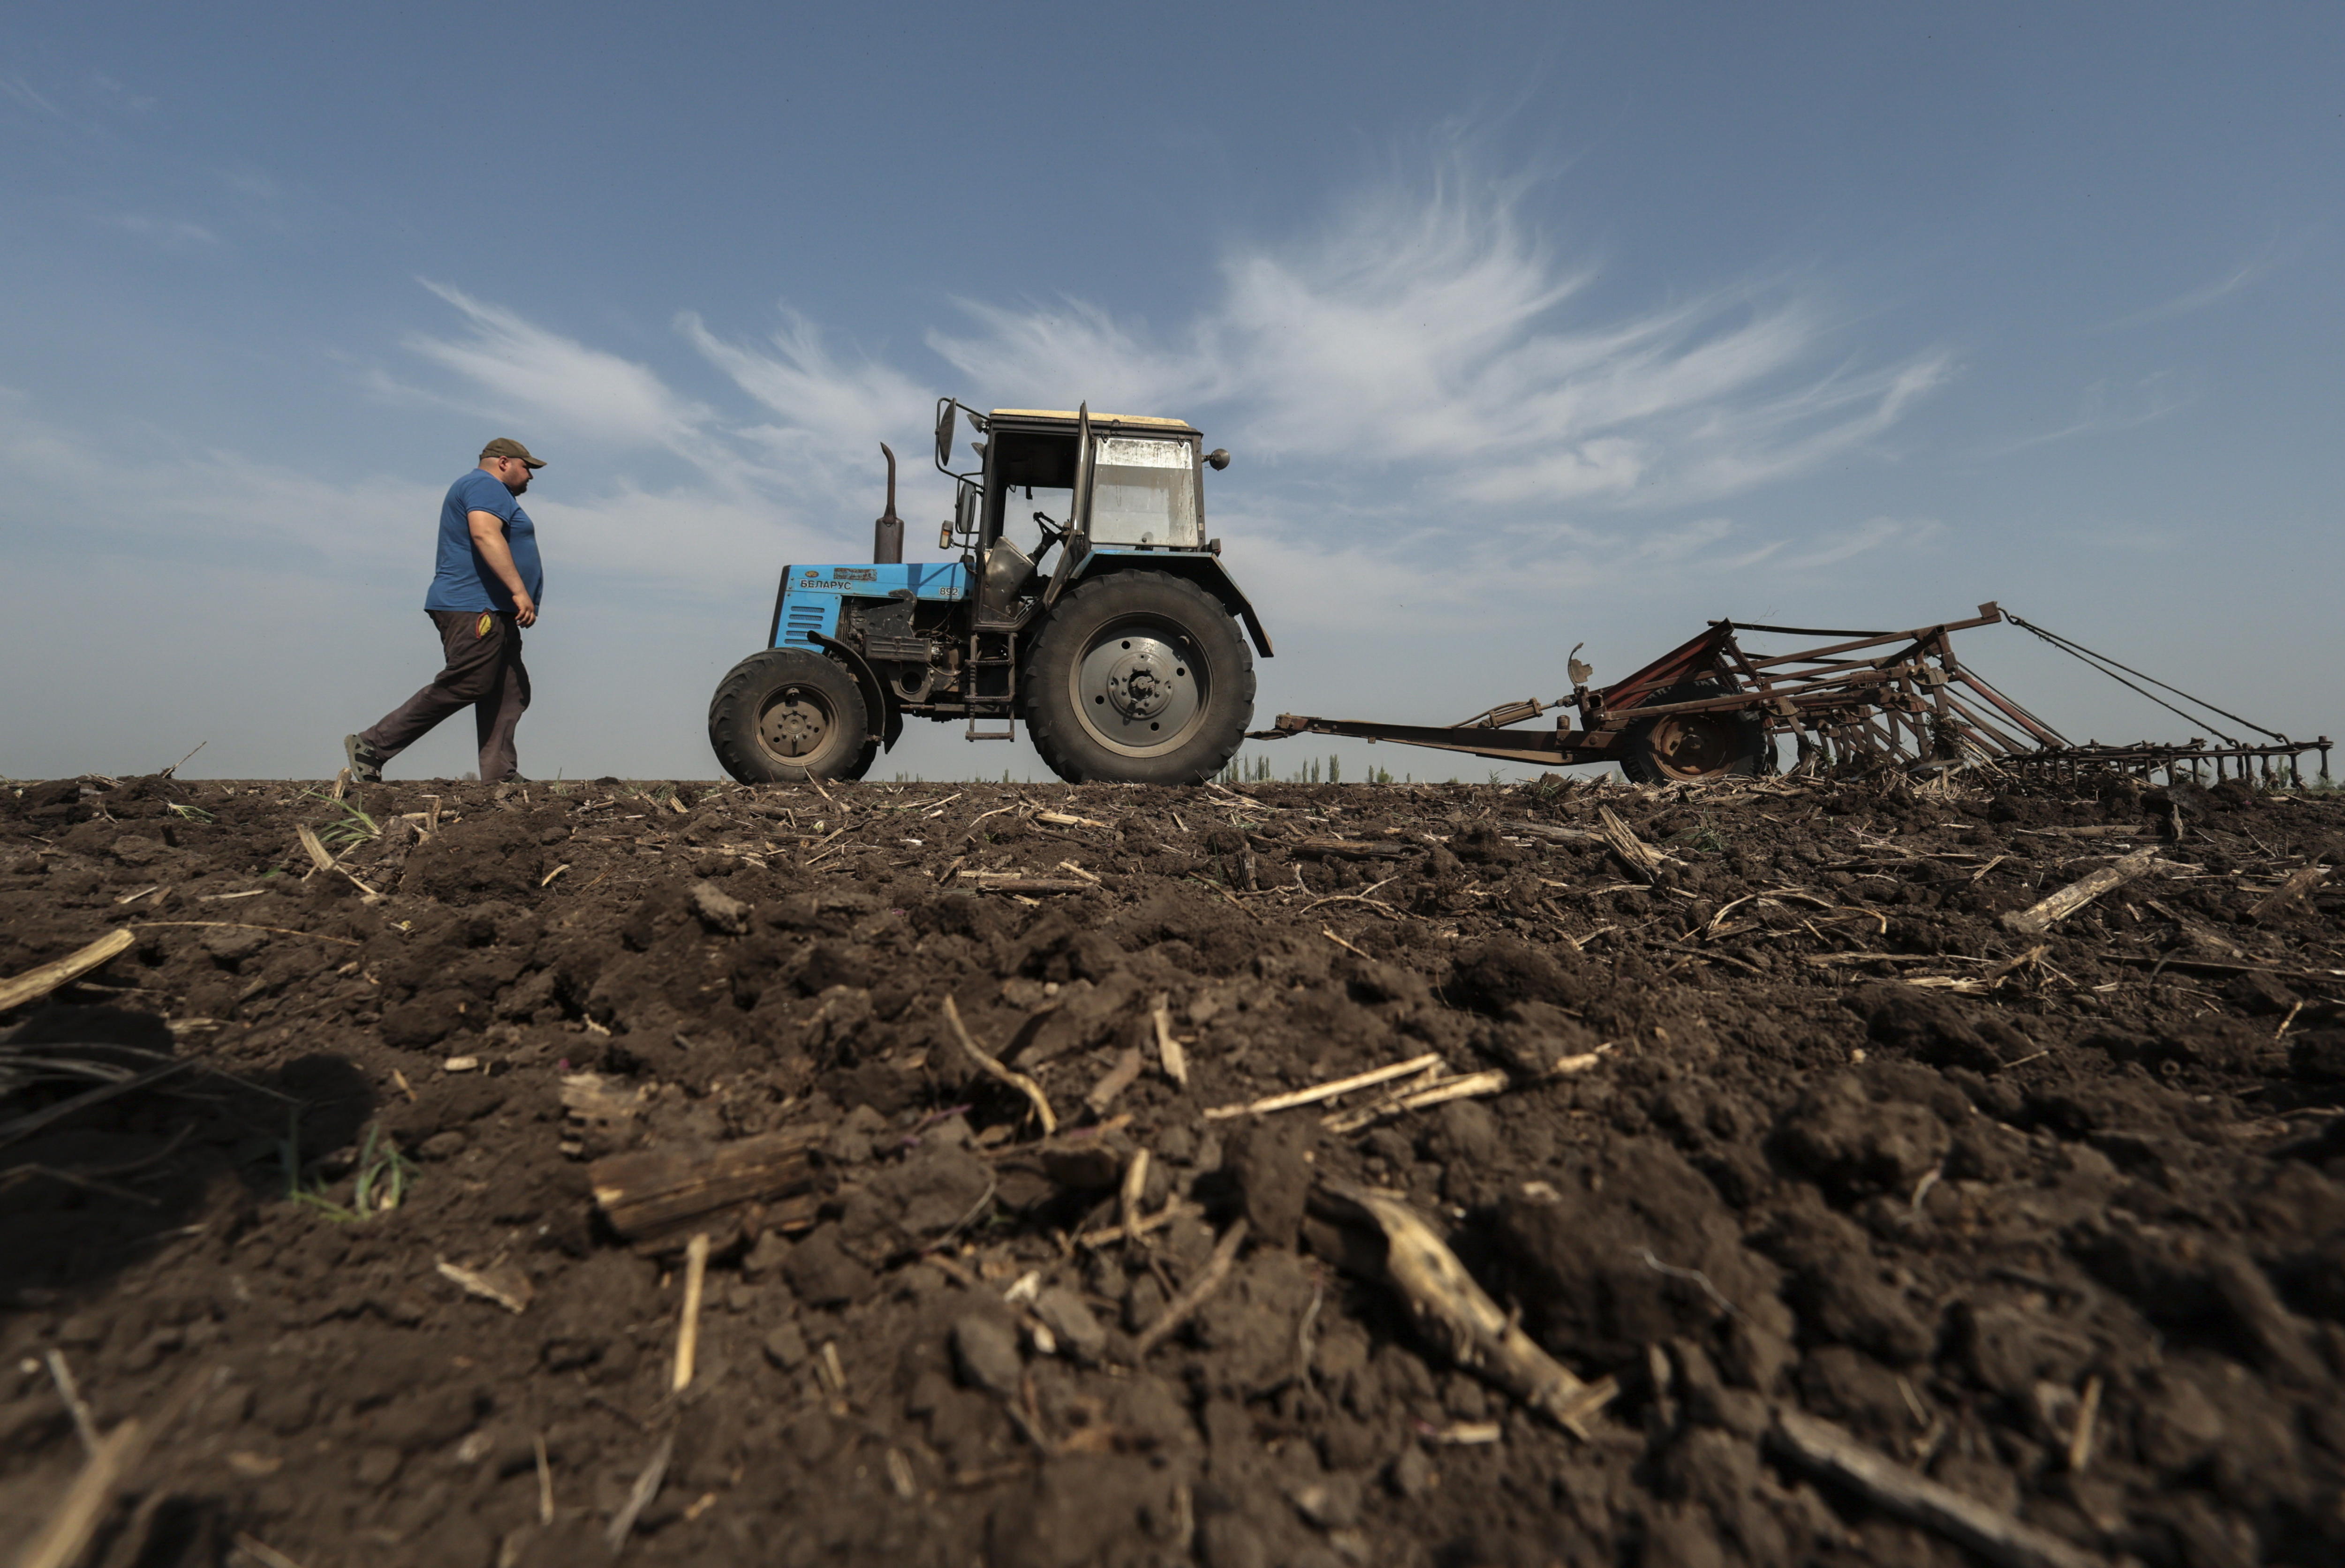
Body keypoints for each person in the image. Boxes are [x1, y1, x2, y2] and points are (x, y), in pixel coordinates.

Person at [344, 438, 545, 784]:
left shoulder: (486, 489)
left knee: (509, 690)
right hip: (474, 606)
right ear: (503, 462)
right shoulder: (485, 486)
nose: (530, 475)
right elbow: (484, 534)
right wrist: (518, 590)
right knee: (469, 681)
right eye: (526, 467)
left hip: (492, 608)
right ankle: (373, 745)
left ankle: (500, 775)